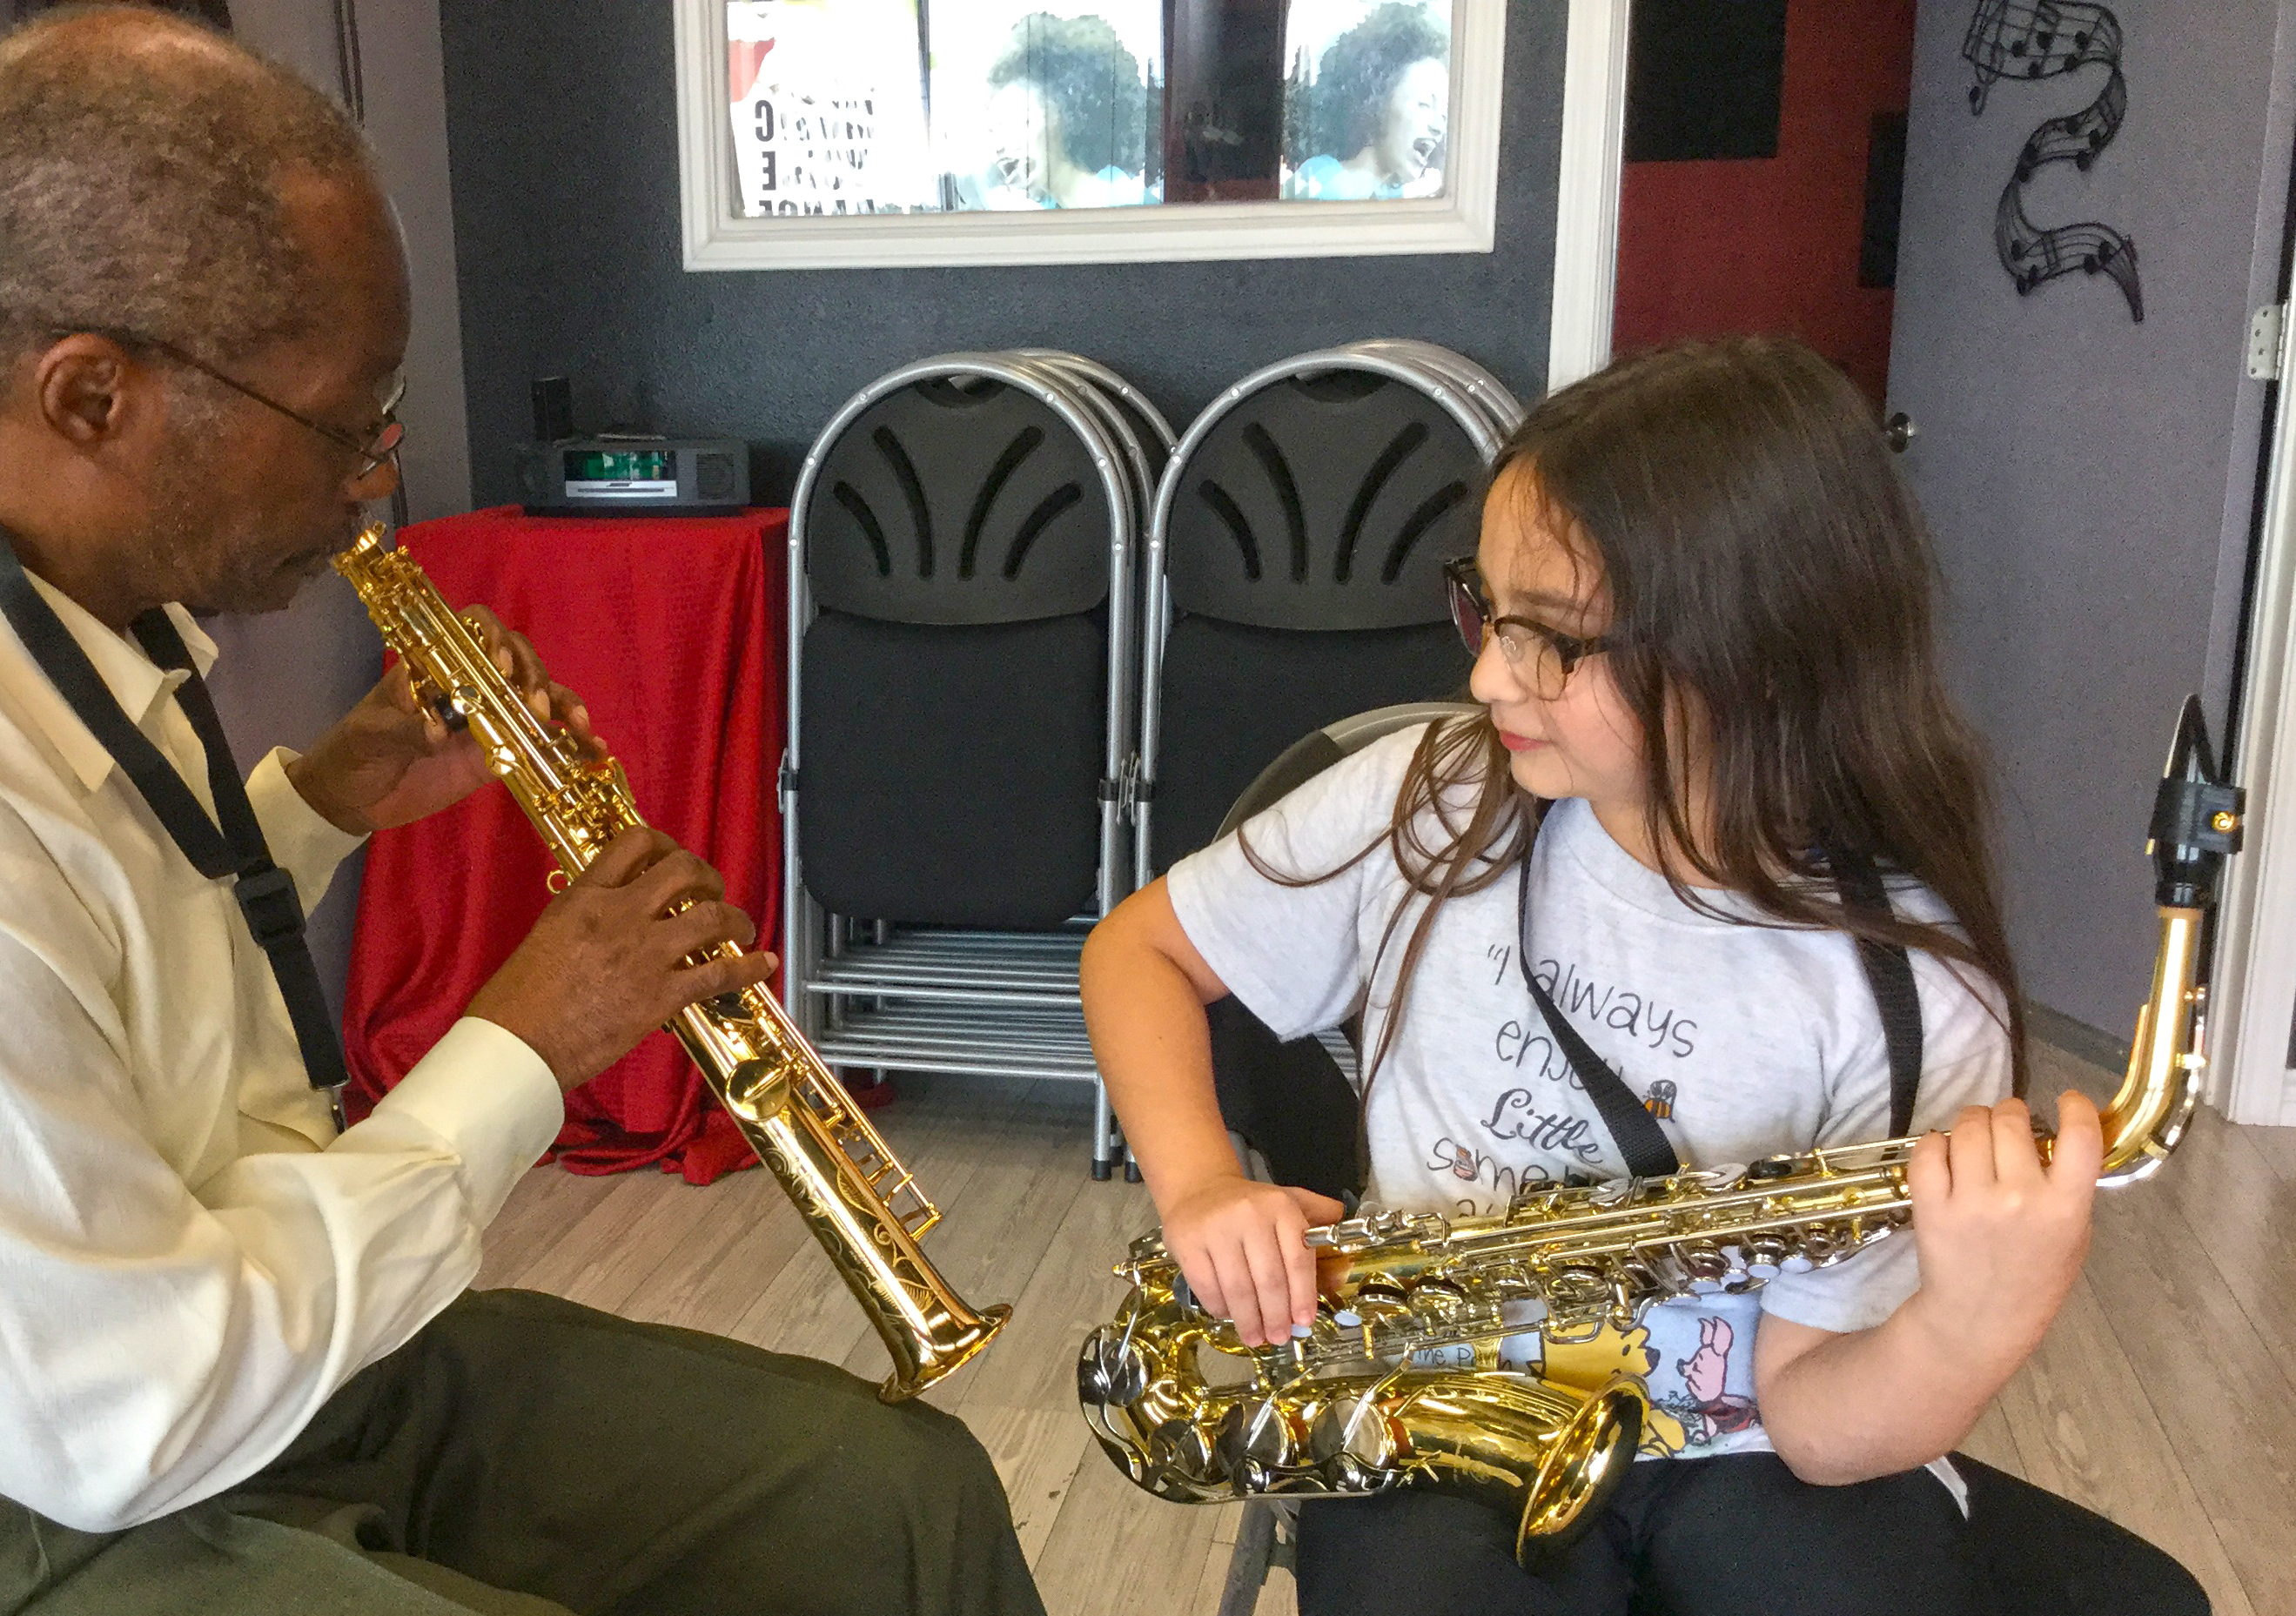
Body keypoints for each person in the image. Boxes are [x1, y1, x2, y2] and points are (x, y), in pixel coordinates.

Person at [0, 10, 1044, 1615]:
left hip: (273, 1334)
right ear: (92, 400)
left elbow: (101, 970)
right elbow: (121, 1410)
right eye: (346, 425)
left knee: (895, 1499)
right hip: (93, 1465)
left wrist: (324, 803)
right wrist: (527, 1039)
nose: (375, 483)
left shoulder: (97, 603)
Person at [1080, 336, 2105, 1614]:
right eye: (1484, 606)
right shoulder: (1435, 798)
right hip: (1435, 1404)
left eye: (1551, 640)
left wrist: (1971, 1326)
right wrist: (1202, 1187)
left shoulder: (1905, 983)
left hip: (1748, 1446)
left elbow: (1813, 1420)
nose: (1482, 675)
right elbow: (1140, 952)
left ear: (1754, 652)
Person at [971, 13, 1152, 211]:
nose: (998, 147)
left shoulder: (1127, 204)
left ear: (1065, 112)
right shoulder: (1049, 210)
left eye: (1012, 122)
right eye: (992, 131)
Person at [1286, 3, 1448, 201]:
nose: (1439, 127)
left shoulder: (1395, 195)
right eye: (1424, 104)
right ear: (1377, 100)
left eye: (1444, 115)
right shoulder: (1323, 182)